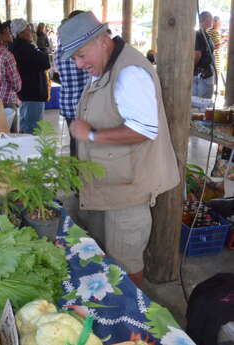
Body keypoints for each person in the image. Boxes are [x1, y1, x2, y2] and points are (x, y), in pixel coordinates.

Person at [58, 11, 180, 287]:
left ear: (102, 40)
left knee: (126, 266)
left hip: (128, 192)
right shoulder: (106, 65)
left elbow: (144, 130)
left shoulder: (130, 72)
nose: (78, 64)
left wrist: (90, 134)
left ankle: (130, 321)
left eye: (81, 54)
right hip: (109, 185)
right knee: (106, 258)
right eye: (74, 58)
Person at [55, 10, 90, 157]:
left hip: (68, 103)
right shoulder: (83, 47)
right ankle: (83, 177)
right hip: (85, 104)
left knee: (74, 143)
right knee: (86, 145)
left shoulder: (60, 49)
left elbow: (57, 73)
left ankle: (74, 175)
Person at [10, 18, 50, 134]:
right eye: (28, 30)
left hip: (26, 92)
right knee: (33, 129)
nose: (31, 32)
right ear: (21, 32)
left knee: (26, 124)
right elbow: (45, 63)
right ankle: (30, 152)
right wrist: (41, 51)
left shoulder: (16, 46)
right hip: (33, 92)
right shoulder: (26, 48)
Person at [194, 11, 215, 99]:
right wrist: (193, 69)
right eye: (210, 19)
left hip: (206, 73)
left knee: (204, 100)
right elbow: (197, 54)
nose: (212, 21)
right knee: (201, 101)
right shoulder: (199, 34)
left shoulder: (205, 34)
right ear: (204, 20)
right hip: (202, 74)